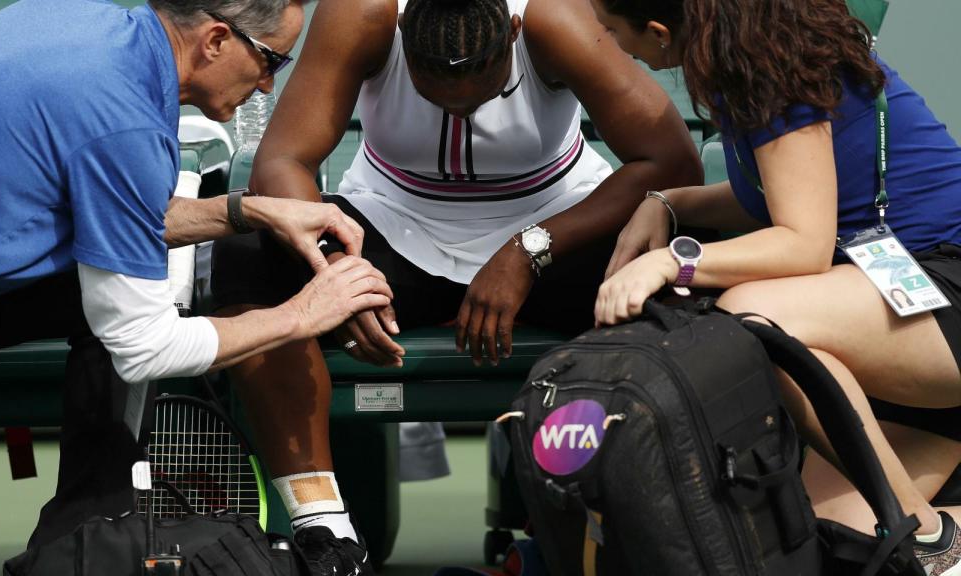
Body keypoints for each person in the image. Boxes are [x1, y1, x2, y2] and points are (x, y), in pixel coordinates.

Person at [209, 0, 702, 570]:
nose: (463, 114)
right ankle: (325, 528)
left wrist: (528, 251)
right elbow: (284, 159)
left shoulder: (552, 21)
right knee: (249, 252)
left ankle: (622, 513)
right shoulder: (365, 15)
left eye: (482, 96)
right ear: (400, 39)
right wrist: (334, 275)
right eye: (437, 95)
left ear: (513, 33)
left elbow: (672, 161)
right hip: (394, 222)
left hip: (550, 227)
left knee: (668, 274)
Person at [0, 0, 395, 574]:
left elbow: (121, 216)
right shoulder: (123, 115)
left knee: (94, 304)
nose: (267, 86)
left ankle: (84, 542)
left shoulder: (82, 26)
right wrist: (302, 314)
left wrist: (252, 211)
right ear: (216, 40)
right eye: (270, 61)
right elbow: (143, 346)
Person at [590, 0, 961, 572]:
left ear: (660, 33)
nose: (612, 45)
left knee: (757, 314)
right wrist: (669, 201)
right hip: (898, 323)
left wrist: (674, 261)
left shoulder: (770, 69)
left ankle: (932, 540)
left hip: (945, 291)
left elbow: (802, 243)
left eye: (613, 31)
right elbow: (772, 196)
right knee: (815, 540)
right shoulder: (751, 54)